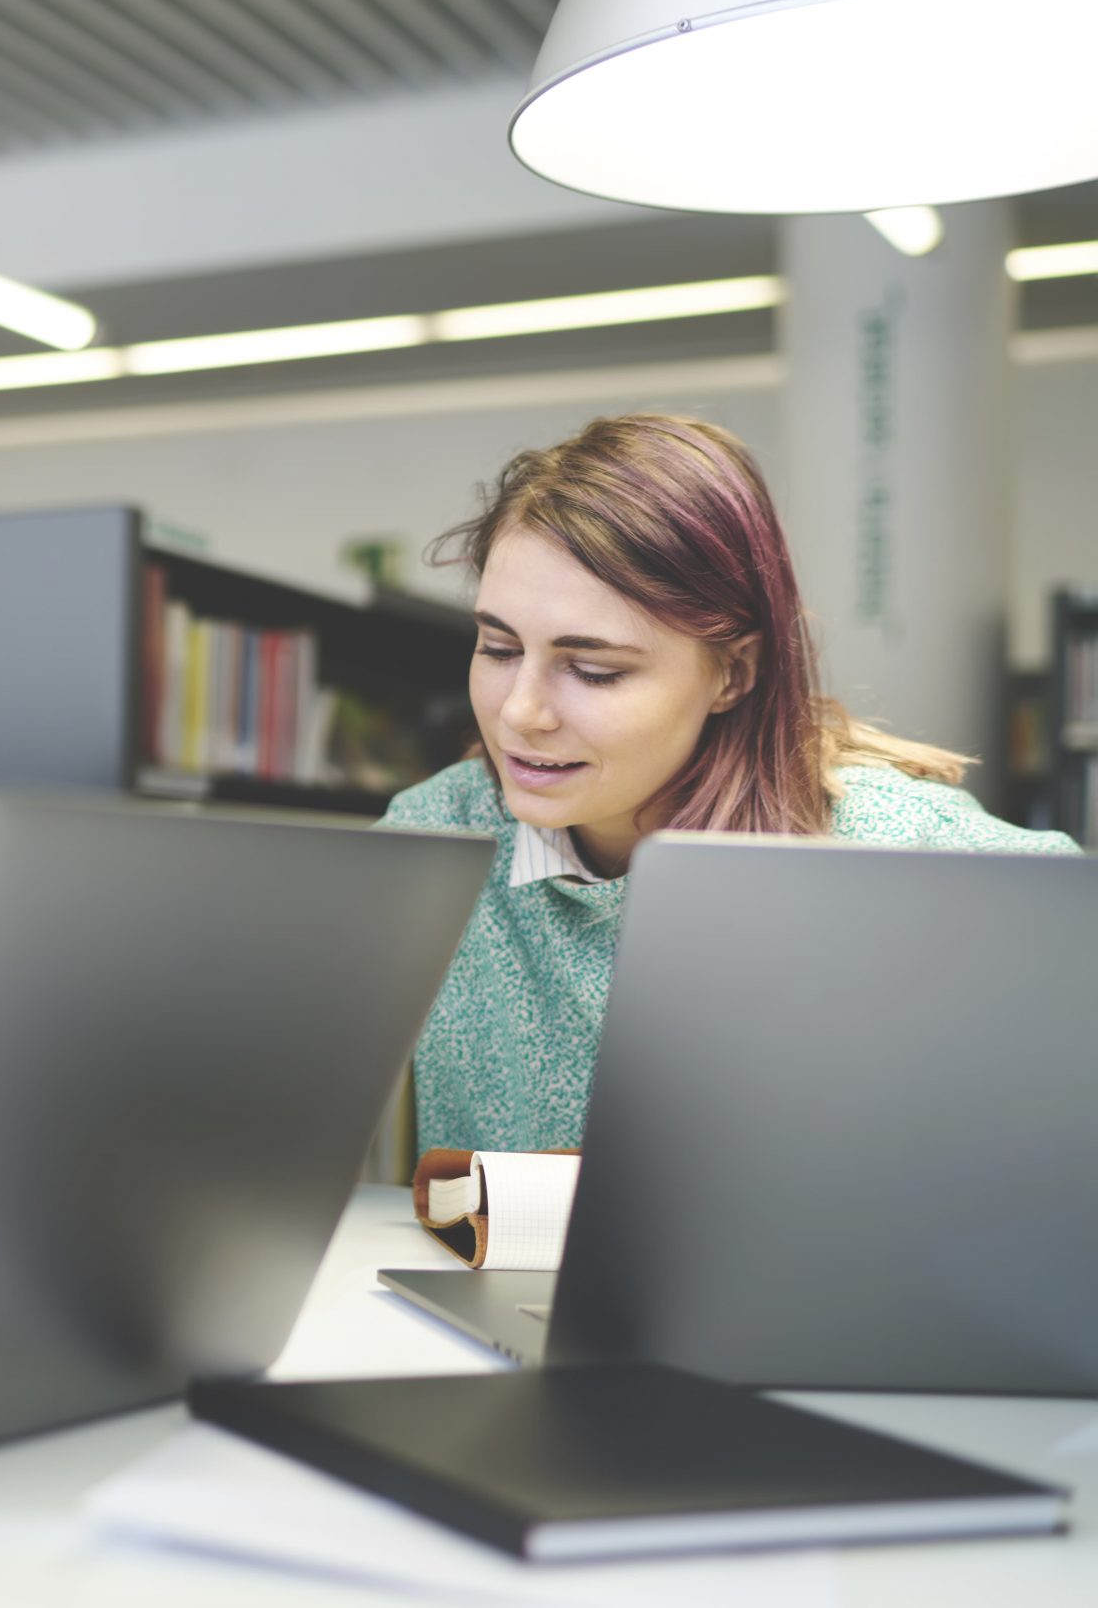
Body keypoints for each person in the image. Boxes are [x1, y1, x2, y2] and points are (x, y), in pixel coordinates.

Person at [384, 414, 1078, 1155]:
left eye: (595, 670)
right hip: (474, 1275)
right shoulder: (434, 838)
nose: (520, 711)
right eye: (498, 647)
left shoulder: (902, 854)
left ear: (733, 673)